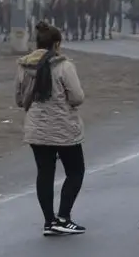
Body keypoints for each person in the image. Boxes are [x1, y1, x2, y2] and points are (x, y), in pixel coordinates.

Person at [14, 22, 86, 236]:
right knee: (75, 171)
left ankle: (49, 221)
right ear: (57, 44)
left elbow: (19, 100)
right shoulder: (64, 66)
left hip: (36, 129)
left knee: (44, 174)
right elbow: (77, 97)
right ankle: (63, 217)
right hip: (64, 128)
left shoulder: (24, 66)